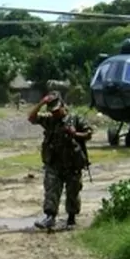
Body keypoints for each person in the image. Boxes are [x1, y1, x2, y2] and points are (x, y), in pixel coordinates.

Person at [28, 91, 93, 230]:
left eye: (57, 110)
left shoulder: (76, 118)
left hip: (72, 163)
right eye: (52, 111)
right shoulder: (50, 120)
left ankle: (71, 218)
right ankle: (50, 217)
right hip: (54, 163)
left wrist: (75, 133)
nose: (55, 113)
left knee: (73, 193)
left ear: (63, 106)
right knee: (51, 190)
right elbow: (31, 118)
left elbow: (89, 134)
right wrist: (42, 102)